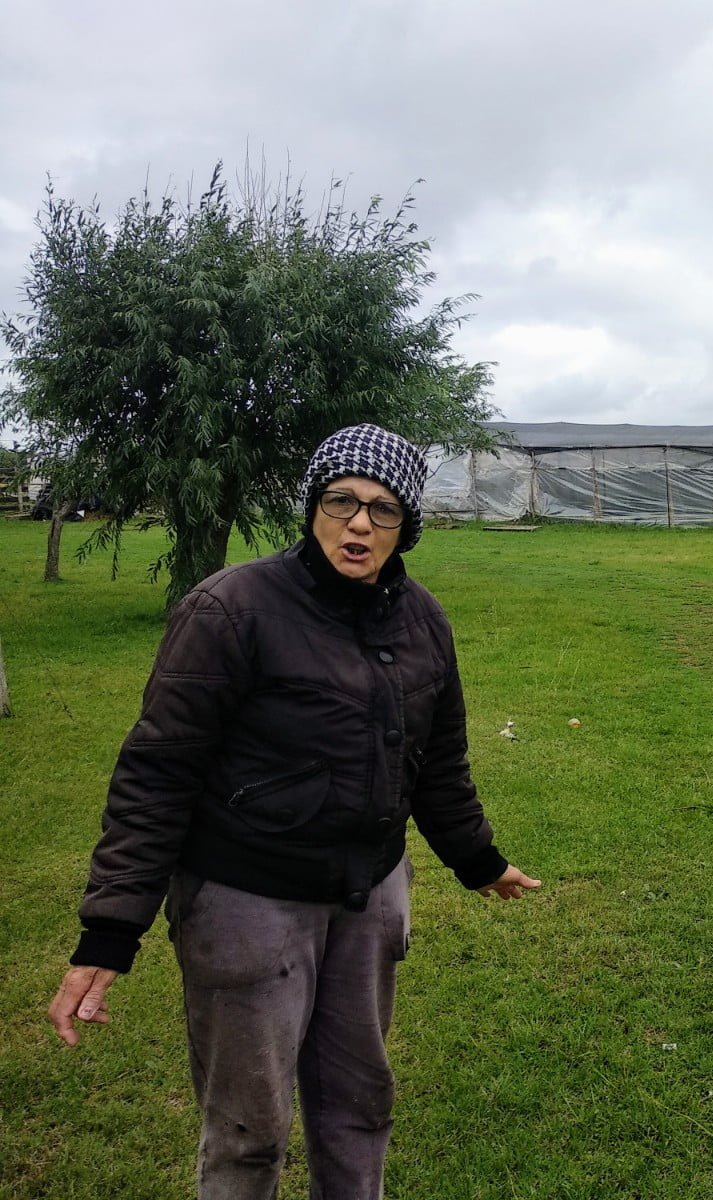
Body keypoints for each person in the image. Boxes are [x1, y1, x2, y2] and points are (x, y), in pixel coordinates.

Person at [48, 423, 540, 1198]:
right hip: (247, 901)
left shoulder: (422, 621)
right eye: (342, 500)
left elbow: (435, 762)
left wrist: (477, 860)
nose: (359, 523)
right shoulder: (231, 609)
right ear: (313, 507)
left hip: (368, 896)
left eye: (382, 510)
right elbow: (157, 773)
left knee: (359, 1104)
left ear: (406, 526)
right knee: (250, 1129)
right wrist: (111, 931)